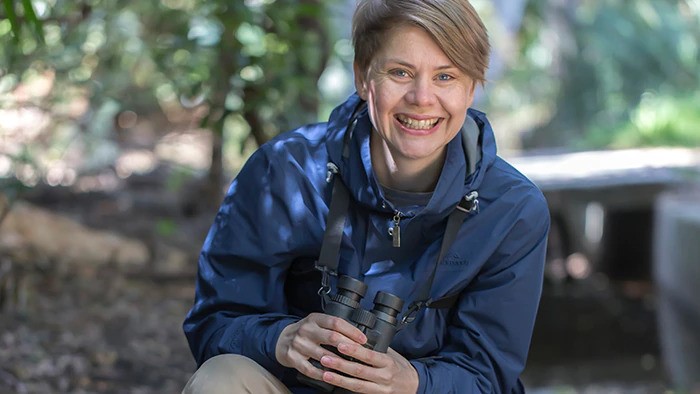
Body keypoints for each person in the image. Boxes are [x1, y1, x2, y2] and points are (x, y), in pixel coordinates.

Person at [182, 0, 550, 393]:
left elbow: (488, 374)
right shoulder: (285, 172)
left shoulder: (512, 209)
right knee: (219, 380)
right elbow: (215, 322)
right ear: (362, 77)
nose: (422, 98)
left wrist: (413, 381)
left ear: (472, 87)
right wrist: (280, 339)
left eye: (446, 77)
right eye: (400, 72)